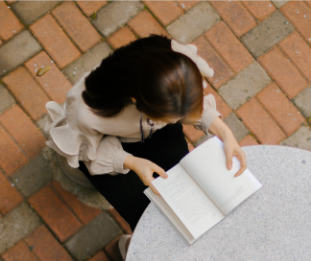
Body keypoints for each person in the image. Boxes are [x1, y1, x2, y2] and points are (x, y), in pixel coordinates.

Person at [45, 35, 246, 244]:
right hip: (107, 149)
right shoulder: (86, 112)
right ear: (136, 102)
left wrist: (224, 132)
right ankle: (132, 245)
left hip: (155, 132)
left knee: (185, 184)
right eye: (173, 118)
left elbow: (187, 106)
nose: (182, 121)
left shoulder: (176, 62)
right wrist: (132, 162)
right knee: (144, 211)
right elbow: (86, 152)